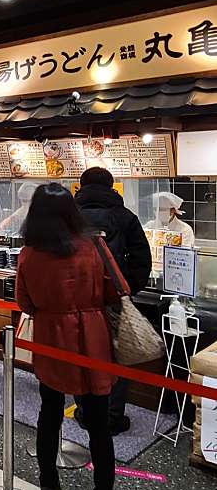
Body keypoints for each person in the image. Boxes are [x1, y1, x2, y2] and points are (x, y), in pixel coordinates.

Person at [16, 183, 126, 490]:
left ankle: (49, 484)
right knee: (98, 420)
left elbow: (25, 302)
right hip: (92, 337)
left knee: (49, 411)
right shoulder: (92, 246)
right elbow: (113, 291)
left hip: (51, 336)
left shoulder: (29, 254)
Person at [74, 167, 152, 434]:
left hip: (77, 303)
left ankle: (85, 412)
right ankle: (112, 416)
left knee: (81, 354)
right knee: (115, 357)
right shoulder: (125, 217)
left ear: (81, 187)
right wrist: (127, 289)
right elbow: (143, 260)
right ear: (112, 187)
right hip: (114, 301)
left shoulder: (69, 218)